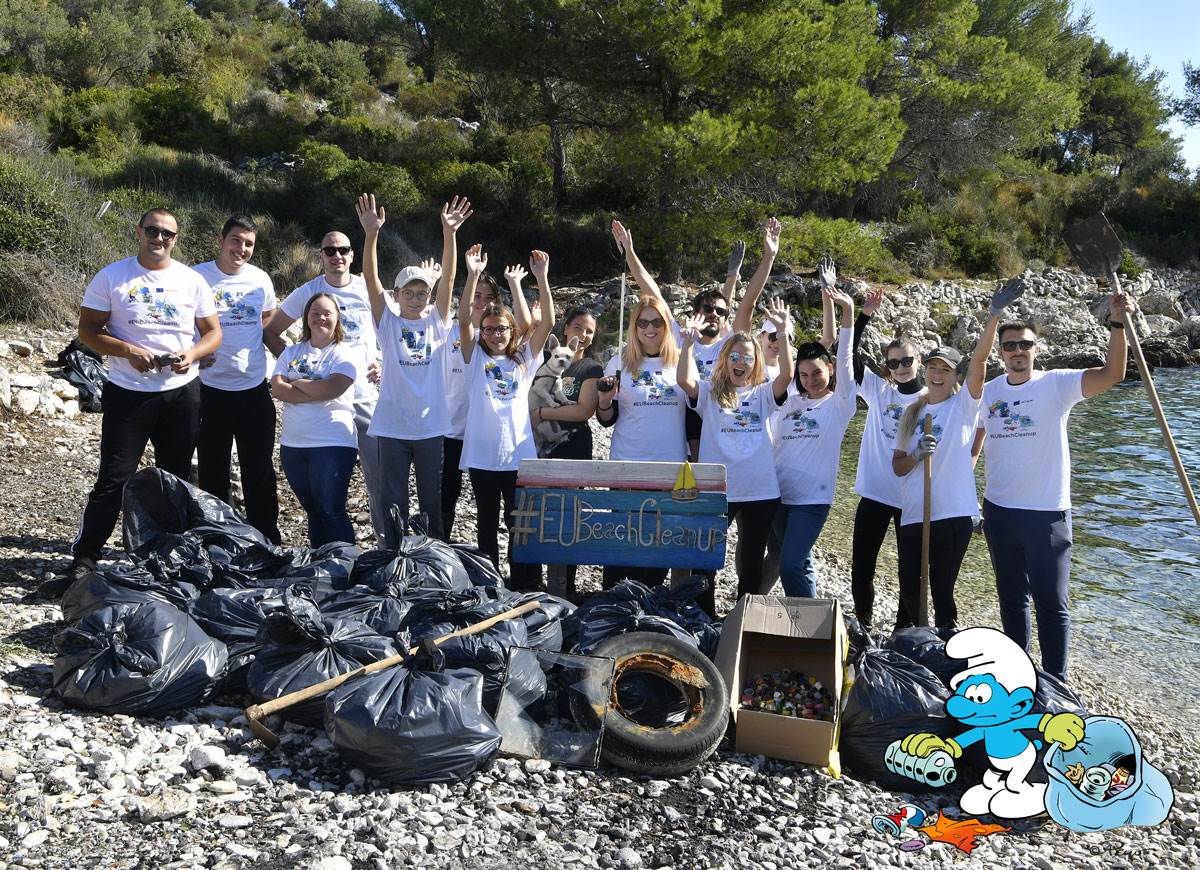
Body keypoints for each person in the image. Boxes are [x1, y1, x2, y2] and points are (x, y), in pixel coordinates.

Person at [975, 289, 1129, 681]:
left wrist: (1117, 323)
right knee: (1011, 600)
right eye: (1009, 346)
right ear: (1001, 353)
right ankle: (1018, 674)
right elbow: (973, 449)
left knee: (1052, 603)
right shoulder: (989, 393)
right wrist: (964, 500)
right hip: (999, 510)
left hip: (1047, 513)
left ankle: (1056, 680)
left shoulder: (1056, 384)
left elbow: (1114, 374)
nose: (1016, 352)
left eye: (1024, 345)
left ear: (1035, 348)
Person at [62, 208, 221, 587]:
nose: (159, 238)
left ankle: (168, 553)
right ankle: (86, 555)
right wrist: (126, 350)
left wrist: (193, 355)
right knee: (114, 477)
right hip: (128, 393)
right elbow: (88, 330)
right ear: (139, 232)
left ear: (176, 239)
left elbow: (212, 333)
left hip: (180, 392)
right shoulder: (112, 275)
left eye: (167, 233)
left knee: (174, 477)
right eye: (153, 230)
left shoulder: (191, 280)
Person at [611, 218, 780, 461]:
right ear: (695, 313)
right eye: (708, 308)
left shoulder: (729, 345)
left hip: (723, 425)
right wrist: (629, 253)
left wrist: (769, 256)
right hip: (685, 429)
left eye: (721, 312)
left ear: (725, 320)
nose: (714, 314)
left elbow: (749, 303)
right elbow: (652, 293)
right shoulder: (681, 339)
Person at [356, 192, 472, 545]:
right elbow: (369, 279)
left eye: (422, 292)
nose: (416, 298)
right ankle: (393, 558)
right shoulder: (388, 324)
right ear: (398, 294)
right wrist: (371, 234)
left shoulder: (437, 322)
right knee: (394, 502)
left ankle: (432, 558)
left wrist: (449, 233)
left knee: (432, 505)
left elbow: (450, 280)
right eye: (409, 292)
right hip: (391, 427)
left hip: (430, 428)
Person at [264, 228, 385, 542]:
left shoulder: (367, 288)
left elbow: (394, 333)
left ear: (352, 255)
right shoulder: (308, 292)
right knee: (323, 497)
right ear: (320, 255)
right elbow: (271, 332)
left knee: (379, 481)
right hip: (320, 407)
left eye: (343, 250)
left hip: (364, 398)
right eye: (330, 251)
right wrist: (293, 368)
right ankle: (329, 557)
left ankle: (387, 546)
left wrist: (384, 363)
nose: (337, 256)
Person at [678, 298, 794, 615]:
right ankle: (704, 615)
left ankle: (743, 616)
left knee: (752, 559)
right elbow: (684, 382)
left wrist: (782, 335)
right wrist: (687, 346)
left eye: (747, 357)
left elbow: (786, 376)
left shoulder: (762, 394)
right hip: (719, 490)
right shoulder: (711, 392)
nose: (740, 361)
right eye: (734, 356)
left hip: (760, 490)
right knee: (707, 556)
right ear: (725, 360)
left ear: (755, 363)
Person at [891, 303, 999, 631]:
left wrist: (992, 314)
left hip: (952, 514)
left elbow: (979, 362)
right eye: (933, 368)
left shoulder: (963, 407)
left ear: (955, 377)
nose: (938, 375)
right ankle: (916, 643)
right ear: (925, 371)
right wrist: (918, 456)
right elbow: (897, 467)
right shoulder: (911, 413)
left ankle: (949, 646)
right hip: (914, 512)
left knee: (941, 589)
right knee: (910, 586)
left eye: (946, 370)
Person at [457, 243, 555, 590]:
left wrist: (542, 278)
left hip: (518, 458)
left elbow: (548, 323)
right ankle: (489, 584)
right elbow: (464, 320)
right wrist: (470, 275)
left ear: (513, 332)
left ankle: (523, 582)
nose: (495, 335)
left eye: (502, 329)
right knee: (485, 523)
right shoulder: (473, 360)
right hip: (483, 458)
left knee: (519, 524)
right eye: (489, 329)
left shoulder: (523, 361)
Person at [193, 215, 281, 544]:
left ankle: (266, 538)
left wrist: (292, 360)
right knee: (213, 471)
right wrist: (196, 352)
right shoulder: (197, 277)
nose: (241, 249)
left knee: (258, 469)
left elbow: (269, 322)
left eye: (248, 244)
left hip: (253, 389)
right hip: (210, 389)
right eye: (236, 240)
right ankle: (218, 539)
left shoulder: (260, 280)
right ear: (221, 240)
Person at [595, 294, 688, 589]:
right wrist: (605, 401)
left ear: (666, 326)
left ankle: (648, 604)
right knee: (623, 540)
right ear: (634, 327)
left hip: (670, 468)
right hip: (627, 465)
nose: (650, 329)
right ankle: (612, 603)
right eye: (643, 322)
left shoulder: (682, 359)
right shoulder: (619, 361)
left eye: (657, 322)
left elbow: (697, 413)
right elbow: (606, 418)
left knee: (658, 541)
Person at [771, 287, 857, 598]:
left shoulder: (840, 405)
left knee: (790, 565)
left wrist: (847, 312)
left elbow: (845, 357)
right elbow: (785, 371)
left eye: (818, 372)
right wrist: (781, 333)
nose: (811, 380)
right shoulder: (791, 399)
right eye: (804, 375)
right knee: (799, 561)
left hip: (811, 501)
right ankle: (812, 623)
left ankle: (807, 621)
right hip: (778, 496)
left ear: (829, 370)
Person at [850, 294, 926, 627]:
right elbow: (847, 355)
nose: (901, 368)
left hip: (912, 499)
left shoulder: (934, 399)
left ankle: (902, 631)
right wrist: (863, 316)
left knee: (910, 572)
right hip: (876, 494)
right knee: (861, 567)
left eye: (906, 360)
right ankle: (864, 623)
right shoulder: (880, 391)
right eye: (893, 363)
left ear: (918, 359)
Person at [270, 293, 361, 547]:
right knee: (313, 510)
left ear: (337, 318)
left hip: (332, 443)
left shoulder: (345, 353)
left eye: (327, 313)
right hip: (294, 444)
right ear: (306, 318)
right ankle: (321, 563)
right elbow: (277, 389)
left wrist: (297, 383)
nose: (321, 317)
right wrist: (314, 387)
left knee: (330, 509)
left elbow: (333, 389)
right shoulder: (291, 351)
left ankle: (345, 565)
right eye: (315, 313)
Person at [529, 305, 602, 600]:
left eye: (589, 331)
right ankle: (532, 585)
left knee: (571, 518)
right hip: (542, 449)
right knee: (539, 515)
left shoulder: (591, 368)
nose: (583, 335)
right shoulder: (545, 361)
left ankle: (565, 587)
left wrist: (541, 412)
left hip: (574, 450)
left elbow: (584, 411)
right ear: (566, 330)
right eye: (578, 328)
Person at [441, 268, 501, 540]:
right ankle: (438, 553)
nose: (482, 301)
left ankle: (485, 560)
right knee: (446, 495)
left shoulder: (499, 337)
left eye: (488, 297)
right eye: (476, 295)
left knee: (486, 504)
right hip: (450, 426)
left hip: (483, 432)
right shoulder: (449, 331)